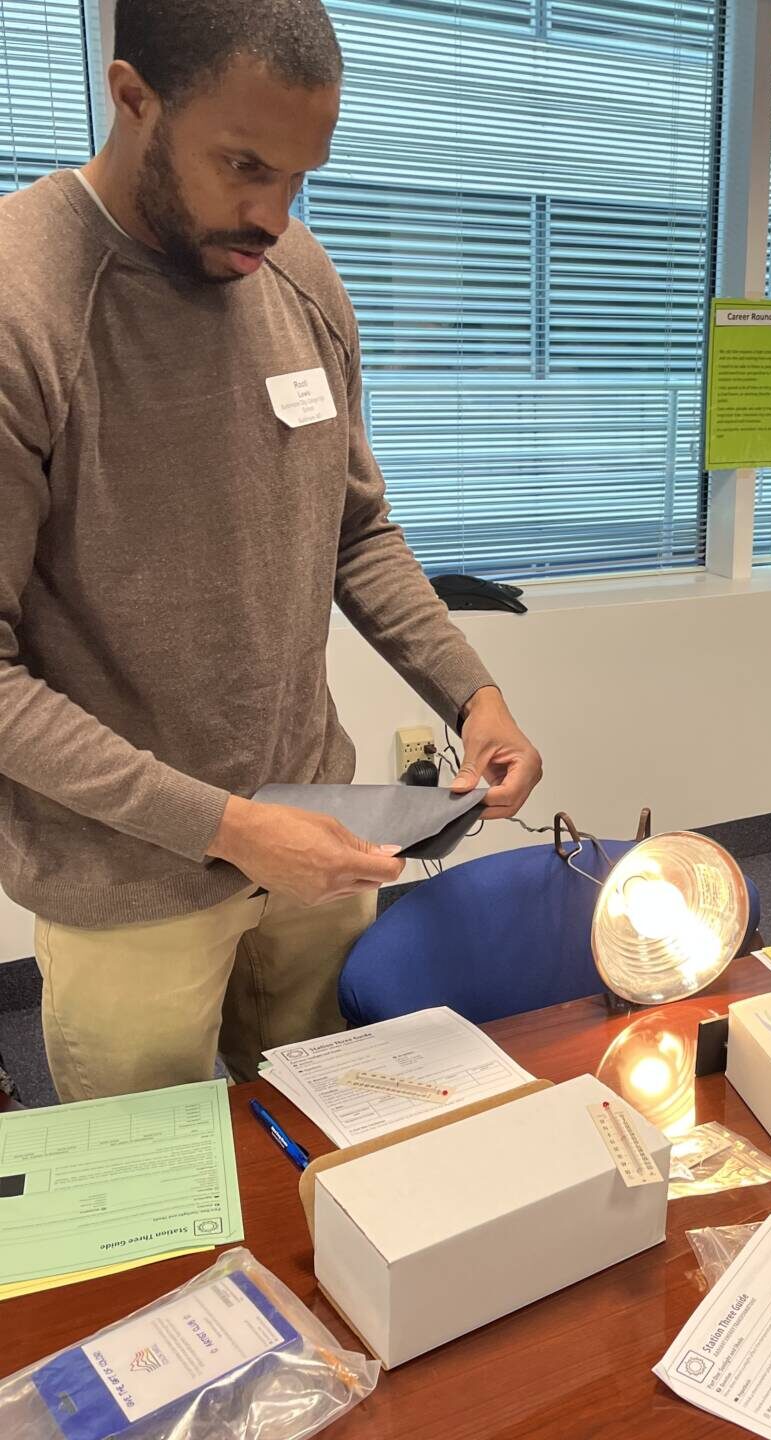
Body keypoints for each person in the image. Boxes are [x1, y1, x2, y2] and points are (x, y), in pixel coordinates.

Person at [0, 0, 542, 1103]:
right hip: (127, 880)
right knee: (152, 1214)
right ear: (132, 96)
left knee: (336, 1151)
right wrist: (230, 828)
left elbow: (356, 529)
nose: (272, 215)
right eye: (245, 165)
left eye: (301, 176)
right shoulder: (25, 306)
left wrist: (471, 695)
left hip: (317, 836)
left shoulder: (294, 273)